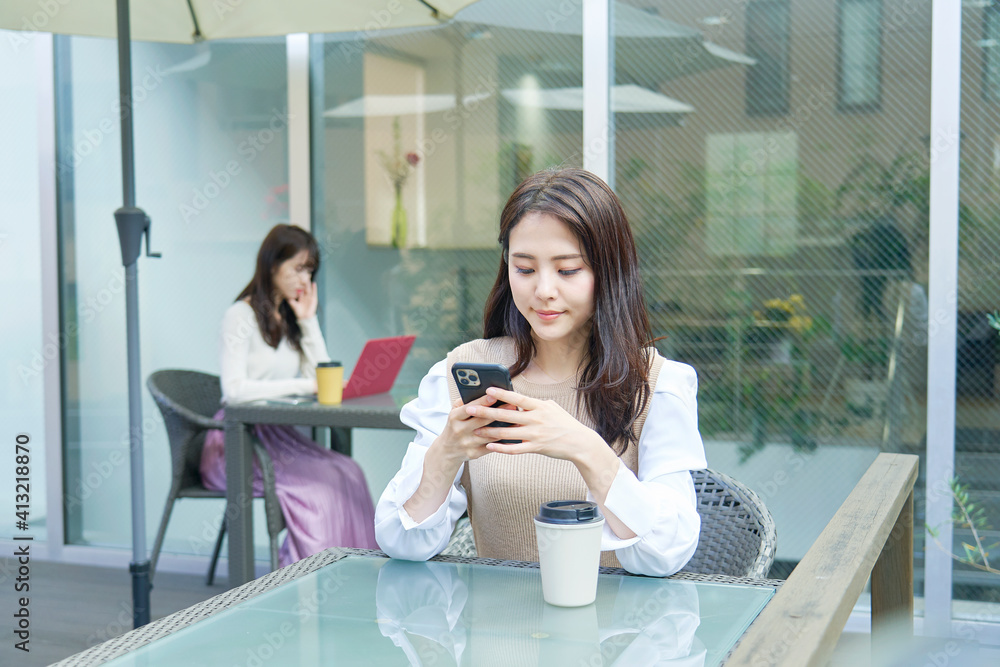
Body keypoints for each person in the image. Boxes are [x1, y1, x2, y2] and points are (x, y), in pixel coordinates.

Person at [375, 168, 707, 576]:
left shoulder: (657, 385)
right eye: (525, 269)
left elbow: (667, 553)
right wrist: (447, 451)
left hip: (613, 636)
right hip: (492, 634)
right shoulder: (464, 372)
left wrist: (582, 447)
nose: (544, 290)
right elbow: (399, 539)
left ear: (609, 272)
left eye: (567, 270)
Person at [200, 223, 377, 567]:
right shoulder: (240, 316)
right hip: (235, 443)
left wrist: (308, 321)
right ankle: (305, 582)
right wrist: (301, 385)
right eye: (297, 268)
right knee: (320, 491)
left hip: (277, 438)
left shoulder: (289, 318)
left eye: (310, 270)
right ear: (271, 265)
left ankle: (358, 575)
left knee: (350, 472)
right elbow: (234, 391)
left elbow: (323, 378)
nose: (305, 278)